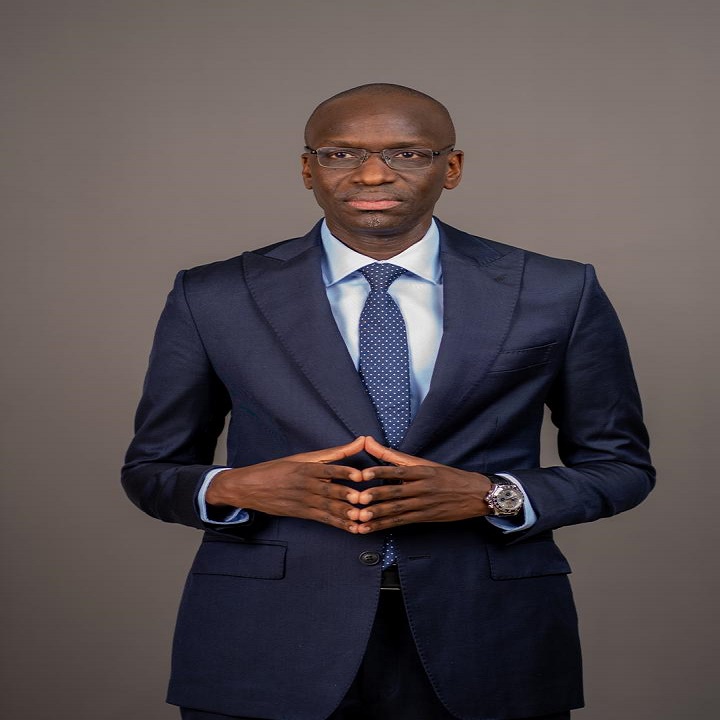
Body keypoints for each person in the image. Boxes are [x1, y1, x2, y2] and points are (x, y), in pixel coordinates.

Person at [122, 83, 654, 720]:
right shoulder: (213, 295)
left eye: (408, 153)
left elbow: (621, 467)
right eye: (340, 154)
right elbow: (150, 471)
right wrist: (238, 488)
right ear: (308, 169)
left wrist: (494, 496)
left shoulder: (555, 290)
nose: (373, 174)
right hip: (265, 642)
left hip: (492, 638)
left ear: (451, 167)